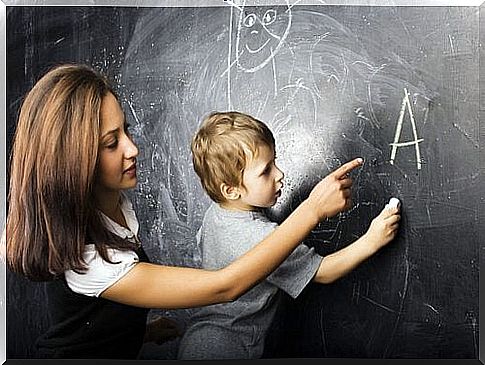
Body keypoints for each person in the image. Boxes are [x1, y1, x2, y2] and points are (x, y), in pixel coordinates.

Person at [4, 64, 363, 359]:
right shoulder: (89, 256)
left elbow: (89, 319)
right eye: (111, 143)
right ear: (73, 162)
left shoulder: (113, 206)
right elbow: (225, 286)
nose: (132, 149)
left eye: (125, 131)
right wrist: (312, 210)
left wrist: (138, 332)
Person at [177, 111, 401, 360]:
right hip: (230, 350)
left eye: (275, 162)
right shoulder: (260, 237)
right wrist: (372, 240)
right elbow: (323, 272)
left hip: (198, 340)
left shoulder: (216, 214)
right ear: (231, 190)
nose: (279, 174)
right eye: (265, 171)